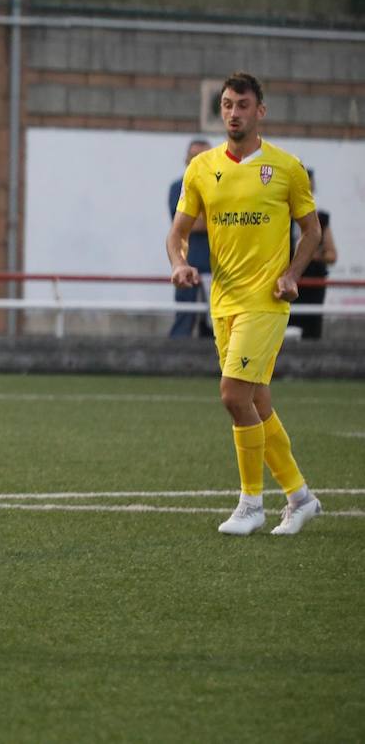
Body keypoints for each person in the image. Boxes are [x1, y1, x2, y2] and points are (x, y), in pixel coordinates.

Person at [166, 71, 323, 536]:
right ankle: (300, 496)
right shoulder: (202, 168)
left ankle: (250, 503)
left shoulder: (286, 167)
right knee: (256, 401)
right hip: (224, 301)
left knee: (233, 396)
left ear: (261, 111)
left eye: (244, 105)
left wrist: (293, 273)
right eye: (228, 104)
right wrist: (179, 263)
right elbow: (177, 234)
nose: (235, 113)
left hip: (266, 301)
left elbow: (312, 231)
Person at [168, 138, 214, 338]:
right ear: (186, 160)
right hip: (187, 261)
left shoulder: (222, 187)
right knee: (185, 316)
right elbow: (184, 225)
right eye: (194, 157)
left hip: (218, 264)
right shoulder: (178, 187)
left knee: (216, 323)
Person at [288, 168, 337, 339]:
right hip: (286, 280)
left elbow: (332, 255)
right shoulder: (281, 218)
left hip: (312, 282)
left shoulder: (321, 219)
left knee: (311, 331)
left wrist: (313, 255)